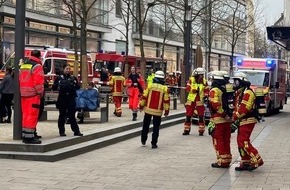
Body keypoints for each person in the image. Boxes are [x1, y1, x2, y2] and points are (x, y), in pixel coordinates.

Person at [232, 72, 264, 171]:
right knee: (239, 141)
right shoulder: (240, 92)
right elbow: (236, 107)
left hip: (248, 120)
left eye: (236, 81)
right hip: (242, 120)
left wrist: (234, 117)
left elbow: (244, 108)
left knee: (244, 141)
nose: (235, 83)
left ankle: (257, 160)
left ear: (242, 82)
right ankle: (245, 162)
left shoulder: (248, 93)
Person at [207, 71, 232, 168]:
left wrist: (223, 114)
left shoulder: (214, 90)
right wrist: (228, 115)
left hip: (218, 119)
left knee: (218, 140)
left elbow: (215, 104)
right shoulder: (227, 90)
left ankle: (222, 161)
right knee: (226, 140)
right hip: (227, 120)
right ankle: (228, 158)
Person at [139, 70, 170, 149]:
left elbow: (144, 97)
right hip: (158, 111)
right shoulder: (164, 88)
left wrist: (141, 106)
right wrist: (166, 111)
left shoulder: (149, 86)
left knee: (145, 125)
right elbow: (166, 101)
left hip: (148, 109)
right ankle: (154, 143)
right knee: (156, 127)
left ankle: (143, 140)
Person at [19, 50, 44, 144]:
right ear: (39, 57)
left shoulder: (24, 65)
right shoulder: (37, 66)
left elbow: (19, 79)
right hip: (33, 95)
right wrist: (40, 92)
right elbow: (38, 82)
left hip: (23, 94)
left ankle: (25, 135)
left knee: (25, 115)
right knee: (32, 115)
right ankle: (29, 137)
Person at [52, 64, 83, 137]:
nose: (68, 70)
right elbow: (54, 87)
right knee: (62, 115)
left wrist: (76, 83)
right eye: (67, 69)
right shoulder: (59, 78)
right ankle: (61, 131)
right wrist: (58, 84)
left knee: (72, 115)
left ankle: (76, 131)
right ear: (63, 69)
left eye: (69, 69)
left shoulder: (73, 78)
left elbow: (78, 87)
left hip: (71, 99)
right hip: (62, 99)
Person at [183, 67, 209, 136]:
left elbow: (207, 90)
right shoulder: (191, 80)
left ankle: (201, 130)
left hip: (200, 99)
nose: (202, 76)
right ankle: (186, 129)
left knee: (201, 115)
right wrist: (194, 90)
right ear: (197, 75)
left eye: (202, 75)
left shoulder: (204, 81)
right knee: (188, 115)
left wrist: (206, 95)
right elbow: (188, 88)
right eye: (201, 75)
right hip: (191, 100)